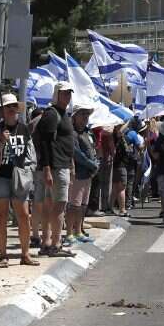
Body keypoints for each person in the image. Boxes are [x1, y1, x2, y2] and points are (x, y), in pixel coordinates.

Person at [0, 94, 39, 268]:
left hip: (20, 177)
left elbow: (30, 152)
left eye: (14, 106)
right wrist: (1, 142)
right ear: (2, 111)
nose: (12, 109)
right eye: (8, 106)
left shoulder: (24, 129)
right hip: (1, 176)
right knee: (1, 217)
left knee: (24, 216)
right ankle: (3, 255)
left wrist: (30, 170)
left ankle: (25, 254)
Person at [32, 82, 76, 258]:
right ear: (57, 94)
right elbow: (45, 143)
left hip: (62, 165)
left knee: (51, 204)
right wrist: (47, 168)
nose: (68, 96)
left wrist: (71, 164)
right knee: (59, 205)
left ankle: (46, 243)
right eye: (64, 93)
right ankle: (56, 244)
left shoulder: (64, 114)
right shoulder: (52, 114)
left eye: (69, 93)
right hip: (56, 166)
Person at [67, 104, 95, 243]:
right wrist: (92, 164)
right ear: (74, 116)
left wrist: (95, 164)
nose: (85, 117)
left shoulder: (87, 132)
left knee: (83, 205)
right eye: (82, 114)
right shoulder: (72, 133)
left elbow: (92, 150)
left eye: (87, 114)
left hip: (87, 174)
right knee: (74, 205)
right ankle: (69, 233)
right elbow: (77, 154)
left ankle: (78, 231)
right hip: (77, 173)